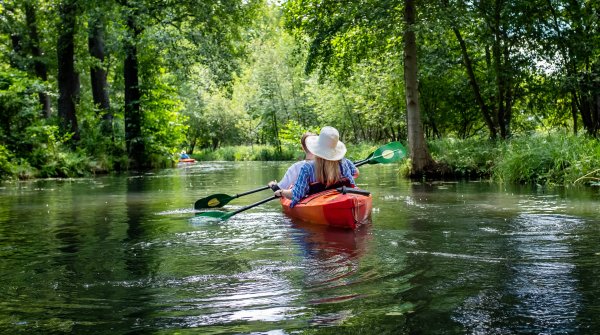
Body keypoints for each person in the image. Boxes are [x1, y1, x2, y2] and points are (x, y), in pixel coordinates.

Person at [274, 126, 359, 207]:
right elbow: (355, 175)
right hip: (344, 197)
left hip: (320, 202)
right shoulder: (345, 162)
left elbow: (297, 195)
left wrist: (282, 192)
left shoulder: (307, 168)